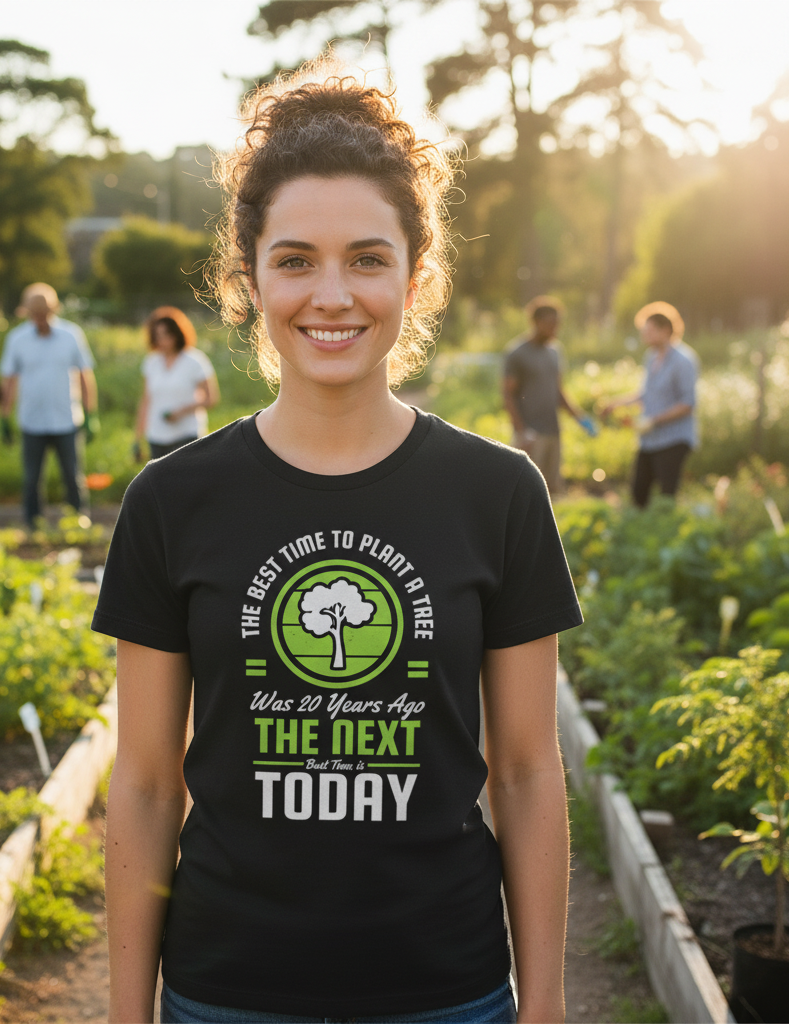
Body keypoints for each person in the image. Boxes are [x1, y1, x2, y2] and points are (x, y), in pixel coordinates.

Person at [93, 65, 582, 1024]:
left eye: (367, 258)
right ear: (249, 280)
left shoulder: (498, 494)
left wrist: (548, 1001)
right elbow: (147, 785)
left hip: (447, 990)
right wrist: (125, 1012)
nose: (332, 295)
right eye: (295, 260)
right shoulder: (170, 502)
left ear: (416, 273)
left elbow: (526, 770)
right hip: (227, 991)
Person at [0, 283, 99, 528]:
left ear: (53, 310)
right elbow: (9, 380)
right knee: (32, 478)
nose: (40, 319)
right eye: (35, 314)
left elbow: (85, 375)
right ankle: (33, 523)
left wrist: (90, 413)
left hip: (66, 418)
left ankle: (77, 519)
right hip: (31, 419)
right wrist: (4, 416)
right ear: (28, 313)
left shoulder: (71, 335)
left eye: (44, 314)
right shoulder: (17, 339)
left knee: (72, 475)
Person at [602, 301, 698, 508]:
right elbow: (646, 394)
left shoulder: (683, 360)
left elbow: (688, 403)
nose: (645, 335)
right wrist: (615, 403)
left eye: (650, 330)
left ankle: (666, 534)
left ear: (666, 330)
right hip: (650, 439)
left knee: (666, 495)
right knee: (638, 492)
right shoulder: (652, 356)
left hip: (674, 439)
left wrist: (653, 420)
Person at [502, 298, 595, 495]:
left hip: (553, 430)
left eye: (558, 324)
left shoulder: (555, 351)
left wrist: (580, 419)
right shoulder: (517, 353)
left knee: (552, 489)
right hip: (531, 434)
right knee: (526, 490)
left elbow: (558, 391)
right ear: (536, 322)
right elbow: (508, 395)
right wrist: (521, 431)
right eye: (551, 324)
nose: (555, 328)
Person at [133, 306, 220, 462]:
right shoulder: (151, 362)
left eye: (167, 335)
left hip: (187, 435)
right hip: (157, 436)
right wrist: (137, 437)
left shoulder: (194, 360)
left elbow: (211, 398)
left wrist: (182, 411)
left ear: (177, 334)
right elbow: (146, 400)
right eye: (158, 336)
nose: (162, 341)